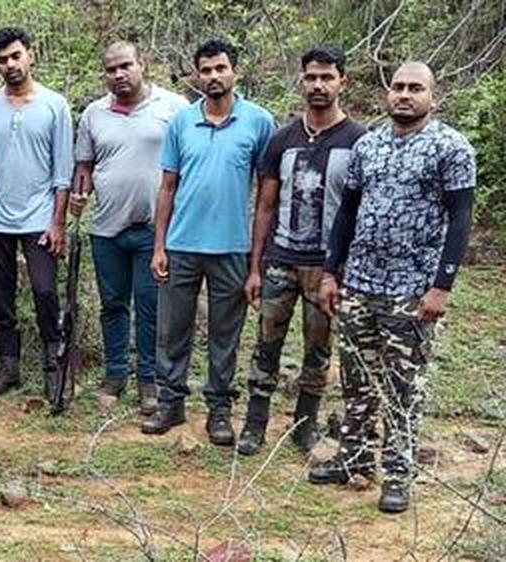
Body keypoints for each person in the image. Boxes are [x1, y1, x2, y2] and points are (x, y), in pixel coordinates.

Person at [308, 62, 475, 514]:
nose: (404, 95)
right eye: (398, 87)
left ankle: (398, 474)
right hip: (360, 284)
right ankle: (353, 458)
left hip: (412, 289)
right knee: (356, 381)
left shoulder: (450, 148)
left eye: (415, 88)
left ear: (432, 97)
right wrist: (330, 271)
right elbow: (347, 213)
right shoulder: (368, 145)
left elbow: (461, 220)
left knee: (404, 388)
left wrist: (442, 286)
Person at [141, 39, 274, 444]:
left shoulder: (258, 122)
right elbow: (167, 186)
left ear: (235, 71)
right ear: (196, 76)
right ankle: (170, 402)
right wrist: (159, 246)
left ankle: (219, 409)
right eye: (206, 70)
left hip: (232, 247)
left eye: (220, 68)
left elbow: (267, 196)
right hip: (181, 245)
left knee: (225, 333)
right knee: (172, 329)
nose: (213, 77)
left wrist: (257, 262)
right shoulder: (182, 122)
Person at [236, 47, 366, 456]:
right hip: (280, 260)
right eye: (311, 77)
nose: (318, 86)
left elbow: (362, 210)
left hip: (328, 267)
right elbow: (265, 205)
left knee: (319, 349)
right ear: (301, 81)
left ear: (342, 81)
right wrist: (255, 266)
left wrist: (345, 268)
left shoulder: (359, 141)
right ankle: (255, 425)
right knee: (266, 344)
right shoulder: (282, 139)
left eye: (327, 78)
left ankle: (305, 425)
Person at [70, 41, 187, 415]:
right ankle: (115, 374)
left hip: (155, 229)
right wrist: (79, 193)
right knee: (113, 304)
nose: (118, 75)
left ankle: (149, 380)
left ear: (143, 64)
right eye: (110, 69)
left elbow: (187, 163)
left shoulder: (173, 107)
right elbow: (84, 165)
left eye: (125, 66)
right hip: (107, 228)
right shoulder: (94, 113)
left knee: (151, 305)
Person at [0, 27, 73, 398]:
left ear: (30, 55)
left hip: (39, 218)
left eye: (16, 56)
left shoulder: (55, 105)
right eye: (2, 60)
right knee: (1, 295)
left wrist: (57, 222)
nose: (10, 65)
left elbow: (62, 171)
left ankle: (54, 363)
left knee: (44, 290)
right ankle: (8, 365)